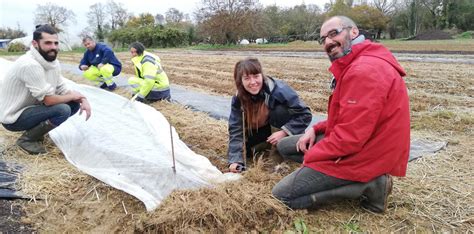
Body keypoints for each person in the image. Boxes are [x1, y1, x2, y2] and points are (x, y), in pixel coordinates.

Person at [272, 16, 410, 213]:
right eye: (323, 39)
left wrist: (313, 158)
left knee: (281, 196)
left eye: (333, 33)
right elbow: (351, 119)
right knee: (286, 146)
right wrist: (316, 129)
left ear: (353, 32)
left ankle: (372, 184)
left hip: (367, 154)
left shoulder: (364, 71)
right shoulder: (357, 63)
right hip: (365, 142)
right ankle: (344, 178)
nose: (328, 42)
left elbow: (349, 139)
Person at [0, 25, 91, 155]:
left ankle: (36, 133)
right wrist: (72, 96)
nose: (53, 47)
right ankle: (27, 140)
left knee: (73, 105)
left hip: (30, 108)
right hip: (14, 117)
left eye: (55, 43)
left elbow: (61, 87)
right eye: (48, 43)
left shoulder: (52, 62)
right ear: (35, 43)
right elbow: (48, 100)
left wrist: (82, 98)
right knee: (62, 109)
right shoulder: (30, 65)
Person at [227, 58, 312, 173]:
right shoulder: (238, 99)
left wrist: (284, 131)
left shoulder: (279, 90)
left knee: (279, 110)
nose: (253, 82)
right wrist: (235, 160)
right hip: (263, 131)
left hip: (281, 129)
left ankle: (278, 155)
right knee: (247, 153)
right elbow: (236, 128)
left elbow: (305, 114)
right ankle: (265, 147)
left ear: (262, 75)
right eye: (247, 78)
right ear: (240, 81)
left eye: (256, 76)